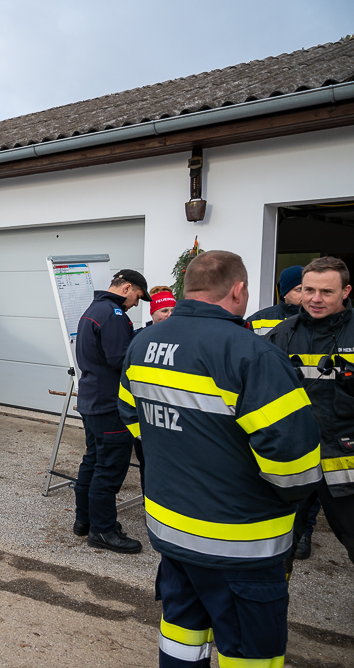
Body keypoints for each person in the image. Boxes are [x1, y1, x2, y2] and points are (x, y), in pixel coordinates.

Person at [119, 250, 321, 668]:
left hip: (172, 528)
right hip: (240, 541)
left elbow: (131, 416)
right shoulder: (253, 355)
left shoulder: (143, 343)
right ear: (238, 290)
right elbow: (295, 465)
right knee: (250, 651)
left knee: (181, 633)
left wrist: (178, 448)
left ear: (187, 287)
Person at [266, 256, 354, 568]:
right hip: (293, 458)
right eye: (308, 290)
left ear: (345, 291)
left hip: (344, 462)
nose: (315, 299)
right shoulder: (281, 334)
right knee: (278, 547)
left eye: (327, 292)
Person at [73, 269, 150, 554]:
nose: (136, 304)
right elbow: (120, 359)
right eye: (137, 297)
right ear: (126, 288)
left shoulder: (94, 309)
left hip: (92, 401)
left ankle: (84, 520)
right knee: (109, 468)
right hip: (109, 404)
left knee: (93, 460)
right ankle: (103, 530)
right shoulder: (114, 314)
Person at [246, 264, 303, 335]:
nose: (305, 294)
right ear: (285, 293)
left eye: (309, 290)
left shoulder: (315, 317)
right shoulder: (257, 320)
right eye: (299, 289)